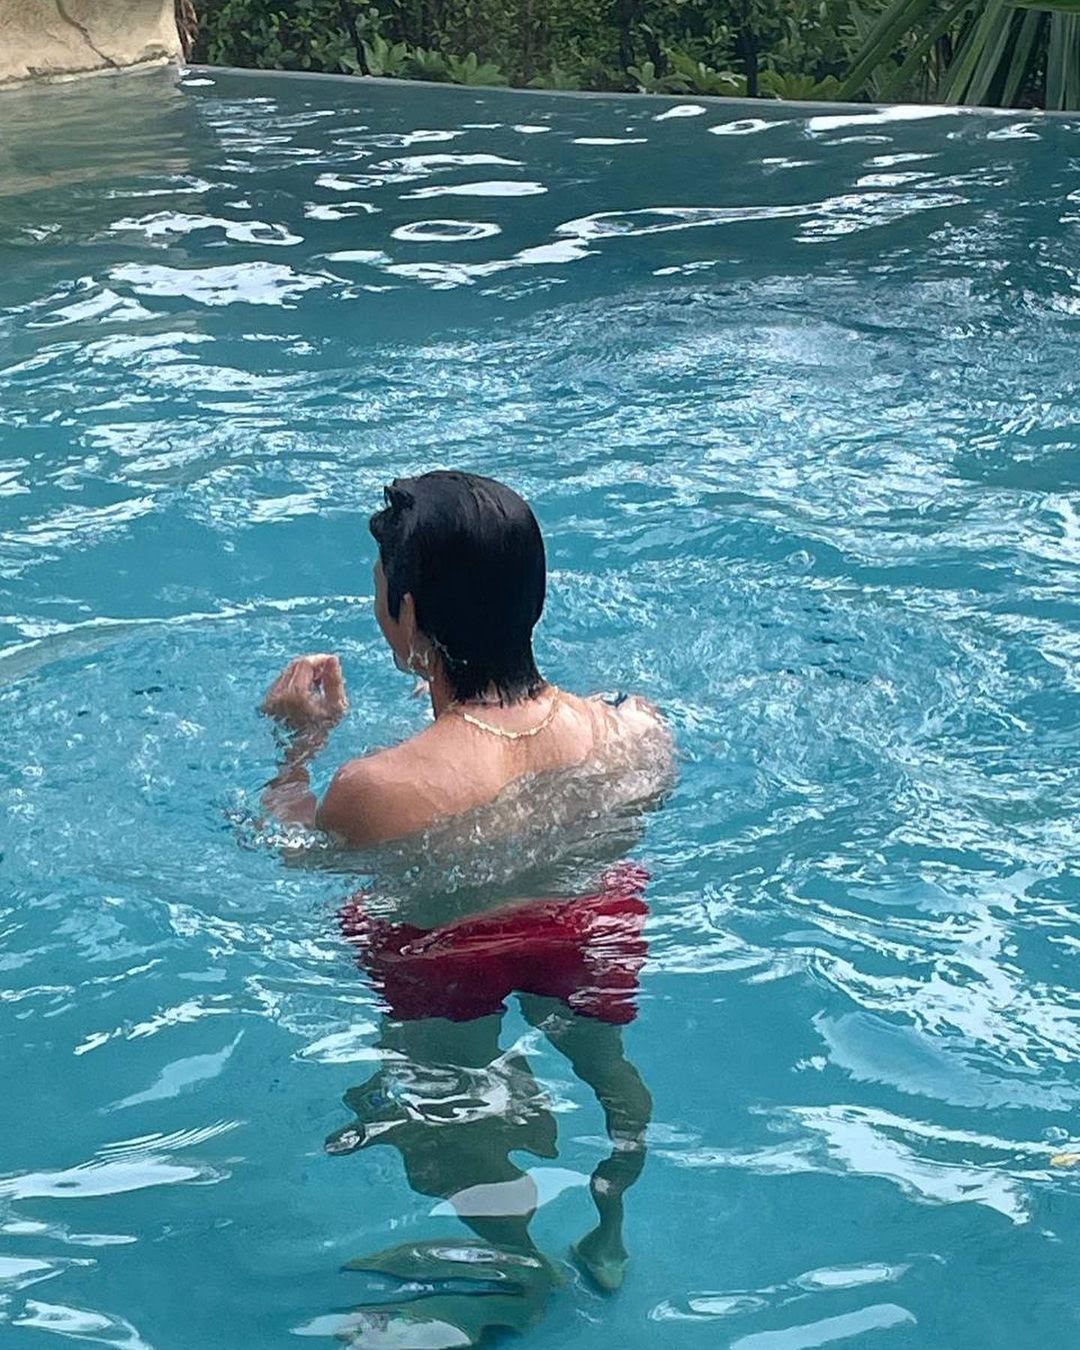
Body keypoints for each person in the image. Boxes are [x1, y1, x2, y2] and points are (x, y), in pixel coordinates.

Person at [260, 470, 668, 847]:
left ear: (409, 616)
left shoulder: (371, 789)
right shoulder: (632, 728)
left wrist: (298, 746)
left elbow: (292, 850)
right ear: (537, 597)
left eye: (377, 585)